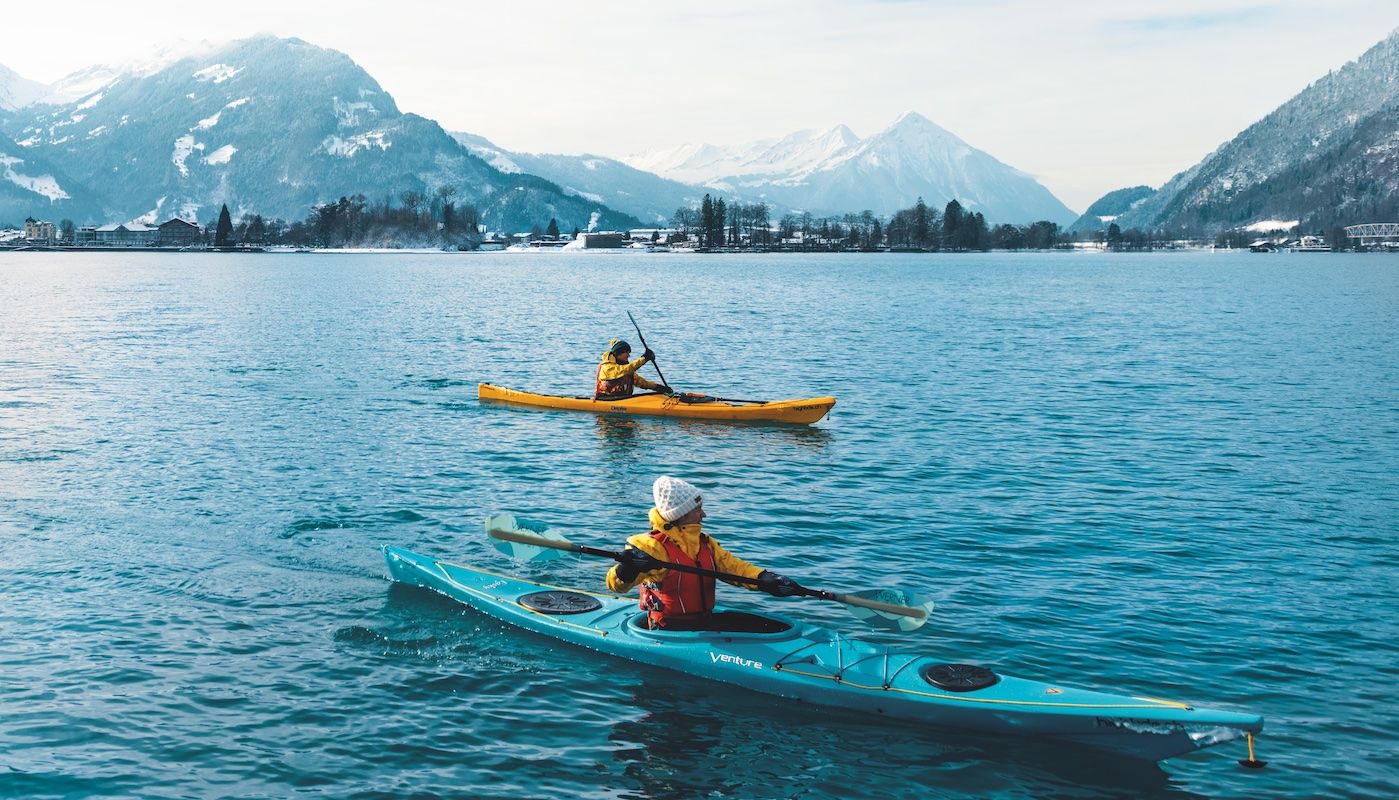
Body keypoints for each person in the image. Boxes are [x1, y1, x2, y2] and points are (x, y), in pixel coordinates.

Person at [605, 475, 800, 632]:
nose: (703, 514)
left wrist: (765, 578)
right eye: (698, 509)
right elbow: (616, 587)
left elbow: (733, 568)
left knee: (767, 626)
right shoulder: (650, 547)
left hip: (703, 621)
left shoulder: (704, 543)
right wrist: (627, 567)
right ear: (680, 514)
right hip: (669, 630)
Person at [594, 339, 673, 400]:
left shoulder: (626, 370)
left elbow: (641, 383)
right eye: (627, 352)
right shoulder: (607, 368)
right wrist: (644, 359)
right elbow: (624, 370)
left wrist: (659, 387)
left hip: (623, 400)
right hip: (606, 400)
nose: (629, 355)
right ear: (619, 353)